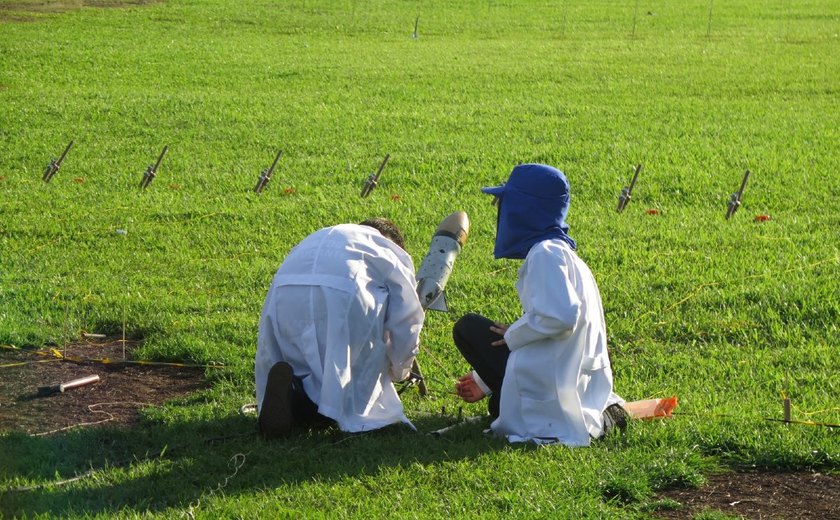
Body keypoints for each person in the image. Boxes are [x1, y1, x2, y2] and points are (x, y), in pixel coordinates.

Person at [452, 164, 627, 446]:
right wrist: (482, 378)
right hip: (571, 375)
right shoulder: (564, 254)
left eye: (505, 202)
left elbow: (561, 316)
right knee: (498, 401)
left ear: (523, 208)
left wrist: (513, 334)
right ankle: (498, 393)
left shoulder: (545, 253)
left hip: (555, 381)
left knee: (468, 327)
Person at [255, 218, 425, 438]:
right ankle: (320, 409)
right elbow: (407, 318)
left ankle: (294, 394)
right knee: (348, 382)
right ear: (393, 240)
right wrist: (401, 369)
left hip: (286, 296)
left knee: (302, 361)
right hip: (341, 297)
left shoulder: (323, 234)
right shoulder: (389, 249)